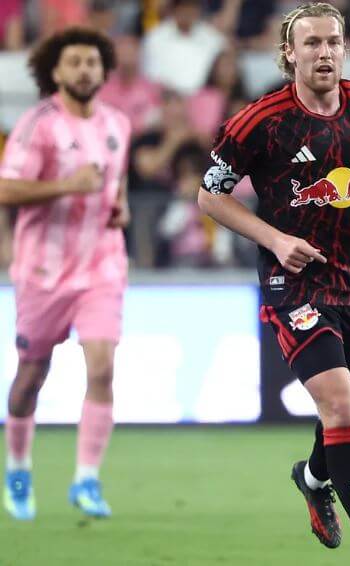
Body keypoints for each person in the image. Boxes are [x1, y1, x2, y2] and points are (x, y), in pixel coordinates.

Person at [197, 4, 350, 566]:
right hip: (294, 285)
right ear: (289, 53)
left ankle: (314, 477)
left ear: (345, 49)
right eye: (312, 43)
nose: (325, 53)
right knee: (342, 412)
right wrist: (274, 239)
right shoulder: (261, 121)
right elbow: (210, 195)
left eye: (333, 42)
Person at [0, 27, 131, 520]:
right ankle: (18, 466)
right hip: (44, 270)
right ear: (55, 71)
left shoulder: (118, 123)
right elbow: (6, 189)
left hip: (102, 264)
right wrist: (67, 186)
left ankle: (87, 479)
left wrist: (120, 207)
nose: (83, 70)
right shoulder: (38, 125)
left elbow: (114, 183)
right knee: (31, 377)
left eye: (92, 62)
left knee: (102, 367)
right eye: (74, 61)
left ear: (103, 70)